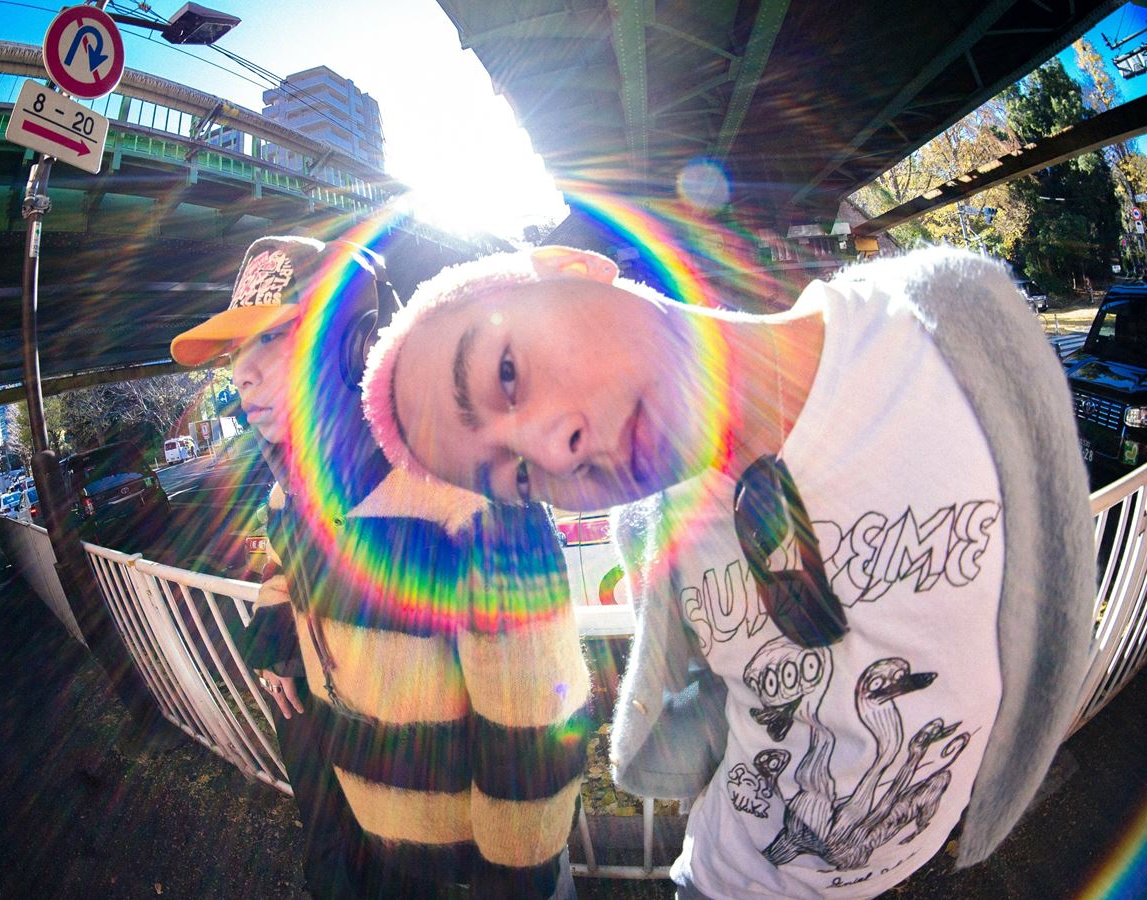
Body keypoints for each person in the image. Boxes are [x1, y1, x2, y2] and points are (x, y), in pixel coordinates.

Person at [360, 244, 1095, 898]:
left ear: (571, 268)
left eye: (507, 372)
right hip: (718, 876)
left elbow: (1054, 596)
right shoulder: (659, 533)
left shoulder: (944, 337)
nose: (554, 452)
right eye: (519, 478)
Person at [172, 235, 589, 898]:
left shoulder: (468, 498)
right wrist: (277, 634)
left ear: (355, 345)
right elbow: (282, 558)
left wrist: (515, 871)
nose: (240, 374)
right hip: (366, 834)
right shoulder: (292, 495)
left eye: (271, 338)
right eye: (234, 353)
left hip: (467, 868)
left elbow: (534, 714)